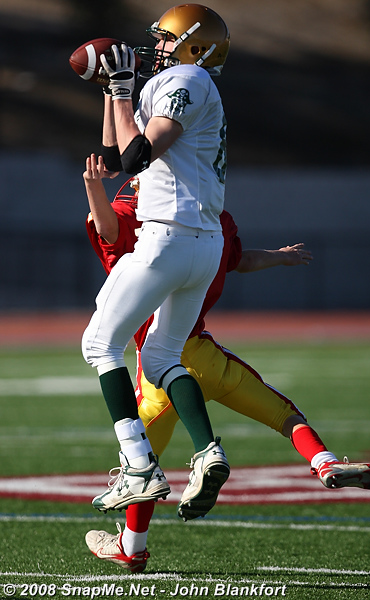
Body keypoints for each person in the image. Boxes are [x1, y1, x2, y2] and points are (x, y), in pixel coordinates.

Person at [82, 157, 370, 572]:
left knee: (141, 462)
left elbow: (109, 229)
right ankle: (324, 461)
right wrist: (280, 257)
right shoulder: (212, 218)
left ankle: (132, 545)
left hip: (159, 366)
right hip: (204, 354)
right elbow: (238, 258)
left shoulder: (144, 217)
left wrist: (93, 187)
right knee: (282, 413)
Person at [81, 4, 233, 519]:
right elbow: (114, 155)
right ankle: (207, 452)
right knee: (162, 357)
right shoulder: (174, 83)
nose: (158, 47)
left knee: (99, 344)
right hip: (202, 244)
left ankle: (138, 466)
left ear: (195, 47)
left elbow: (137, 157)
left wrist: (125, 89)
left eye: (167, 39)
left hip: (167, 236)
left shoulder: (189, 79)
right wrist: (113, 89)